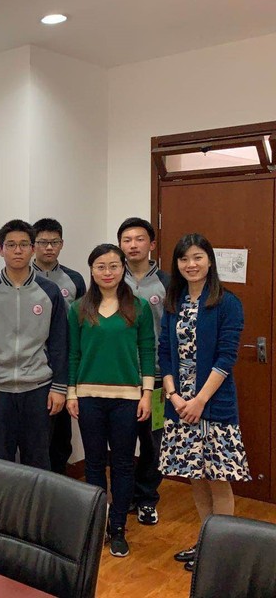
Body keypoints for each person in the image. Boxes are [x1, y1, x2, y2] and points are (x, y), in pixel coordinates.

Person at [158, 233, 249, 572]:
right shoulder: (174, 301)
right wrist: (173, 396)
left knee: (217, 479)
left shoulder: (227, 303)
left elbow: (226, 358)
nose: (191, 264)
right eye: (184, 259)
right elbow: (164, 353)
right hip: (179, 405)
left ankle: (223, 555)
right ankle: (206, 544)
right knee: (195, 477)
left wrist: (199, 400)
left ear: (209, 260)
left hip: (212, 405)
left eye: (197, 257)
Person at [66, 243, 155, 558]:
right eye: (101, 266)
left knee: (122, 464)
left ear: (123, 268)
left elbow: (147, 351)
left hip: (127, 399)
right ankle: (97, 526)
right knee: (93, 464)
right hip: (88, 397)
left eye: (114, 266)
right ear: (91, 270)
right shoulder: (78, 308)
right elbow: (73, 354)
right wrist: (72, 393)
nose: (108, 272)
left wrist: (146, 394)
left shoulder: (139, 307)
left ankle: (118, 528)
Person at [0, 219, 68, 471]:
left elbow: (59, 342)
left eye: (24, 244)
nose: (17, 250)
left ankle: (37, 500)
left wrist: (59, 387)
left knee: (38, 461)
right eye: (11, 245)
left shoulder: (50, 291)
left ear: (32, 249)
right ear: (1, 249)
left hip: (39, 388)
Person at [118, 217, 170, 525]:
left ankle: (147, 498)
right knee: (122, 440)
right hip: (121, 377)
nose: (133, 245)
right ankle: (124, 496)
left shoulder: (167, 282)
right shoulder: (111, 277)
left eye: (139, 239)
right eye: (127, 240)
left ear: (151, 244)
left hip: (158, 377)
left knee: (154, 442)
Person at [32, 217, 87, 476]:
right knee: (36, 435)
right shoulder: (22, 277)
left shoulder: (74, 279)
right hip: (32, 365)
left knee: (61, 435)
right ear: (33, 245)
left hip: (64, 363)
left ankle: (58, 484)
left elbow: (84, 322)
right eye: (43, 242)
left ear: (62, 244)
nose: (48, 247)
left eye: (54, 242)